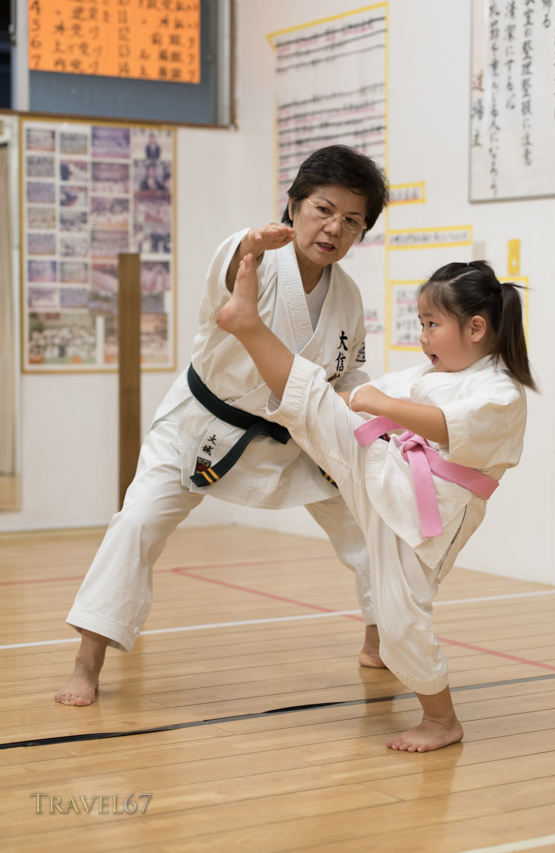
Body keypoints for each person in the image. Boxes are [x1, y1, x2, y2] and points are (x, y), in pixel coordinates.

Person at [55, 145, 389, 706]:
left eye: (352, 220)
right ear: (294, 204)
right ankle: (87, 664)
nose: (334, 228)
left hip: (296, 434)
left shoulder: (348, 297)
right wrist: (249, 246)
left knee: (373, 524)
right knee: (136, 523)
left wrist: (374, 406)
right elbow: (229, 270)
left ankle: (380, 640)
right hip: (204, 426)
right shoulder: (251, 259)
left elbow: (345, 367)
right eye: (324, 209)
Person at [217, 256, 535, 752]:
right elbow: (364, 398)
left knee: (400, 616)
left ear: (475, 327)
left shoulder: (501, 392)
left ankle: (441, 720)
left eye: (431, 325)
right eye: (421, 325)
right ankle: (248, 326)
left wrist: (380, 405)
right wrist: (348, 405)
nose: (423, 337)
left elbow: (447, 427)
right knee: (313, 400)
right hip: (388, 475)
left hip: (424, 517)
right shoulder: (433, 374)